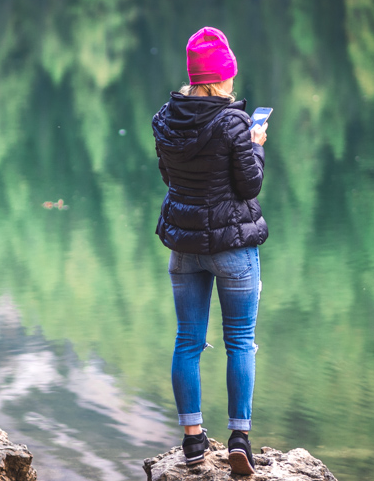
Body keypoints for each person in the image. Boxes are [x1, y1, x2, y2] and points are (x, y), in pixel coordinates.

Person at [152, 27, 268, 475]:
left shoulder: (166, 119)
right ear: (221, 79)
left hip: (184, 246)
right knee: (239, 340)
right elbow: (250, 184)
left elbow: (170, 177)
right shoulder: (236, 123)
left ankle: (194, 442)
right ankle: (239, 437)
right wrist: (256, 147)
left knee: (188, 341)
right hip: (232, 246)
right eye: (230, 77)